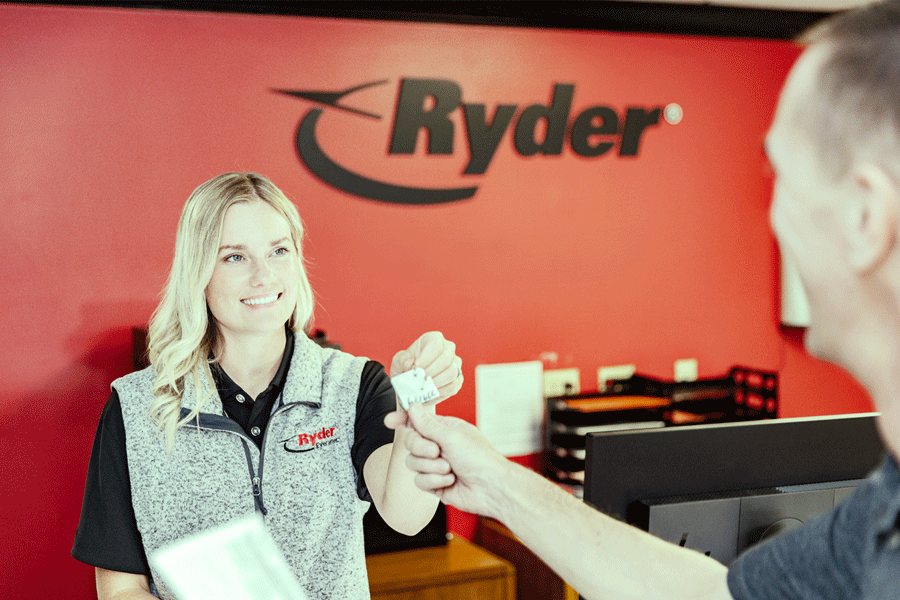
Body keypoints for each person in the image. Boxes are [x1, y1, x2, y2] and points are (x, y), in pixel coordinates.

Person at [389, 3, 900, 599]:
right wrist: (500, 484)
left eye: (780, 177)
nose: (774, 218)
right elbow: (717, 597)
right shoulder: (881, 509)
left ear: (864, 218)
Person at [71, 172, 464, 600]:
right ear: (198, 272)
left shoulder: (355, 385)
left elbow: (407, 516)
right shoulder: (134, 406)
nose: (263, 276)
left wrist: (417, 408)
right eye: (234, 257)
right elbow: (119, 589)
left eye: (278, 251)